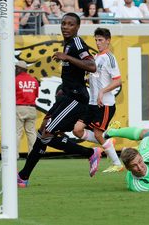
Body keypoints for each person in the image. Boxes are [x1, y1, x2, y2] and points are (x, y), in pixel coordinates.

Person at [17, 13, 102, 188]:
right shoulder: (68, 44)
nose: (65, 27)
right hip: (66, 96)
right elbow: (74, 74)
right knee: (43, 134)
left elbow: (92, 66)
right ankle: (23, 176)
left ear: (77, 27)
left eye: (70, 24)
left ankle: (23, 176)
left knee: (46, 133)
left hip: (76, 98)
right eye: (63, 23)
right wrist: (64, 87)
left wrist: (67, 58)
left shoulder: (77, 43)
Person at [73, 27, 123, 173]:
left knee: (97, 134)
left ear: (108, 41)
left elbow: (118, 81)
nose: (98, 43)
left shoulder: (110, 58)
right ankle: (108, 141)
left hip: (105, 103)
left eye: (100, 40)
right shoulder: (95, 57)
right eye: (96, 40)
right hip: (92, 103)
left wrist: (102, 91)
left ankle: (117, 163)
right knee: (77, 130)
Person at [15, 61, 39, 160]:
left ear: (20, 69)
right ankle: (33, 155)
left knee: (17, 132)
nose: (15, 69)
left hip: (20, 107)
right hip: (32, 108)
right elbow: (36, 95)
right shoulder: (34, 80)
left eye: (16, 68)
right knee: (31, 132)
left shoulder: (15, 80)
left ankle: (14, 155)